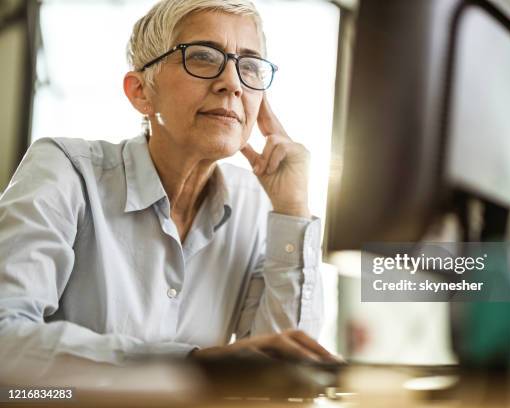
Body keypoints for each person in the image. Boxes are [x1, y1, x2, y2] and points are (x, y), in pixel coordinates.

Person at [0, 0, 336, 378]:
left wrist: (292, 209)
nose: (232, 83)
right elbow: (5, 339)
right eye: (204, 57)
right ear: (141, 91)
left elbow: (284, 375)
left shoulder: (258, 207)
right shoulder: (65, 171)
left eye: (250, 66)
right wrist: (188, 365)